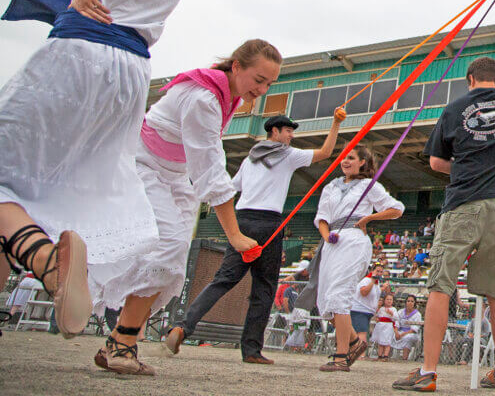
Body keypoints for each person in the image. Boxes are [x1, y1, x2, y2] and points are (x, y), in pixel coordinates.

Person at [0, 0, 214, 339]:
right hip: (130, 76)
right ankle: (48, 253)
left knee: (10, 171)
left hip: (80, 53)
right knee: (55, 182)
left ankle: (47, 259)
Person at [89, 40, 281, 375]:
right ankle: (113, 330)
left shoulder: (228, 95)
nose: (262, 90)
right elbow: (209, 168)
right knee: (167, 246)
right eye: (259, 79)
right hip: (143, 165)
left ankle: (120, 342)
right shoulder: (204, 98)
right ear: (236, 66)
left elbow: (200, 163)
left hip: (174, 174)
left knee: (173, 257)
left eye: (269, 84)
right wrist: (234, 235)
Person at [393, 14, 495, 393]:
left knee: (440, 286)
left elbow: (435, 162)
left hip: (464, 203)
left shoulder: (453, 109)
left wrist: (467, 165)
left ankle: (429, 372)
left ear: (469, 81)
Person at [164, 109, 347, 363]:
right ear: (275, 131)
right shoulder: (287, 155)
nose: (292, 136)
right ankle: (251, 350)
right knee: (264, 288)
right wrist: (335, 123)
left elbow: (232, 188)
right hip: (268, 223)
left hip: (242, 220)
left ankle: (183, 325)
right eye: (288, 131)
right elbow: (326, 153)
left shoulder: (250, 158)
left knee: (223, 279)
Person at [295, 145, 404, 372]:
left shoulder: (368, 185)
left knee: (338, 295)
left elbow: (396, 208)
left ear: (363, 162)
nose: (346, 161)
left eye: (351, 158)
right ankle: (355, 342)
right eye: (344, 157)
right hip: (332, 243)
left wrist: (368, 218)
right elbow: (322, 218)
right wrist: (327, 237)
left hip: (354, 241)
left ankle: (341, 355)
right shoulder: (330, 187)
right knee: (325, 300)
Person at [393, 295, 423, 360]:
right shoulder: (400, 311)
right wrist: (396, 332)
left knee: (408, 338)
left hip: (411, 333)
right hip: (400, 331)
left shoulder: (417, 314)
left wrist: (402, 334)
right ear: (405, 302)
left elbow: (414, 329)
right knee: (390, 335)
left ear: (415, 303)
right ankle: (388, 356)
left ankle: (404, 358)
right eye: (408, 301)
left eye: (412, 301)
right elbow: (396, 323)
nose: (410, 303)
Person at [371, 293, 400, 361]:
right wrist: (377, 318)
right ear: (384, 300)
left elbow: (396, 318)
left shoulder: (393, 309)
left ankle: (386, 355)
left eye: (390, 299)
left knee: (387, 342)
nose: (389, 301)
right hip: (381, 326)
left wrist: (391, 314)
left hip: (388, 326)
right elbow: (377, 315)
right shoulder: (381, 308)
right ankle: (380, 355)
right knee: (380, 342)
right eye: (387, 299)